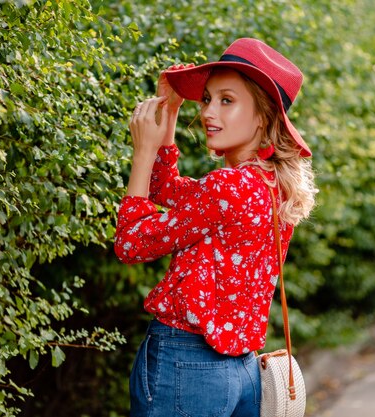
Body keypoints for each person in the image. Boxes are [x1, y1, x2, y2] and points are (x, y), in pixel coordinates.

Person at [114, 38, 317, 417]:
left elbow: (132, 243)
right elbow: (166, 189)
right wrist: (170, 115)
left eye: (227, 100)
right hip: (240, 371)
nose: (208, 111)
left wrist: (143, 151)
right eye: (207, 99)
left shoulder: (227, 187)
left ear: (263, 115)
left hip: (186, 364)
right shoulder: (269, 185)